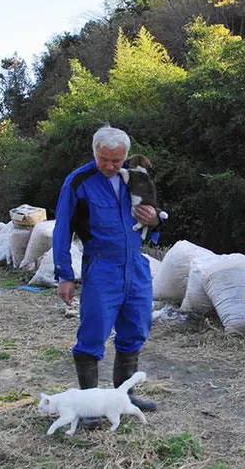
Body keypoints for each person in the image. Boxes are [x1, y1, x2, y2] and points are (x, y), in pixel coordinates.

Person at [52, 125, 162, 414]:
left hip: (135, 265)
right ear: (94, 152)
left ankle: (123, 398)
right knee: (93, 333)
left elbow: (152, 219)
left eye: (117, 160)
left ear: (126, 155)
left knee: (136, 328)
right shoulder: (79, 182)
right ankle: (88, 407)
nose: (111, 166)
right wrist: (64, 274)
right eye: (105, 160)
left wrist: (154, 220)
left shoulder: (136, 178)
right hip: (101, 266)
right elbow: (62, 229)